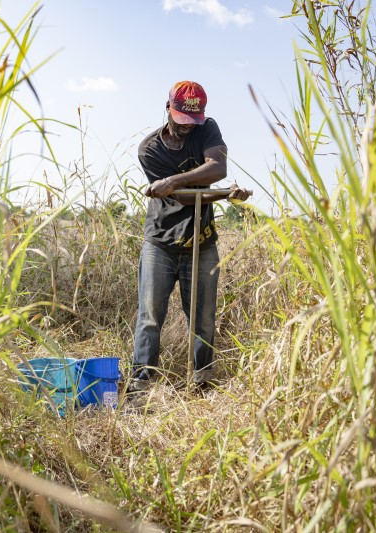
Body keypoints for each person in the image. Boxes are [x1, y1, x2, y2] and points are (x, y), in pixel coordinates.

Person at [128, 80, 247, 393]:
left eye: (191, 123)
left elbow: (217, 168)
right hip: (161, 243)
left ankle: (202, 383)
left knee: (203, 319)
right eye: (181, 121)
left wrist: (221, 192)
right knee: (150, 316)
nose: (186, 128)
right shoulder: (150, 149)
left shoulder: (207, 128)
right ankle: (141, 385)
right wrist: (203, 191)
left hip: (202, 241)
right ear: (168, 109)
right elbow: (182, 197)